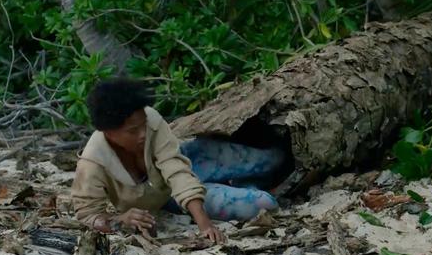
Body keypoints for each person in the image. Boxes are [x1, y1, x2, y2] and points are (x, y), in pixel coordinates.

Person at [72, 78, 284, 244]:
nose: (143, 134)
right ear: (108, 132)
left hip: (191, 159)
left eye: (143, 125)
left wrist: (204, 225)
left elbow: (176, 170)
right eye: (132, 131)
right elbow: (88, 215)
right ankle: (243, 185)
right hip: (168, 199)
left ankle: (243, 182)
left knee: (272, 159)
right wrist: (119, 220)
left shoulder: (151, 120)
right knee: (264, 203)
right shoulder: (92, 164)